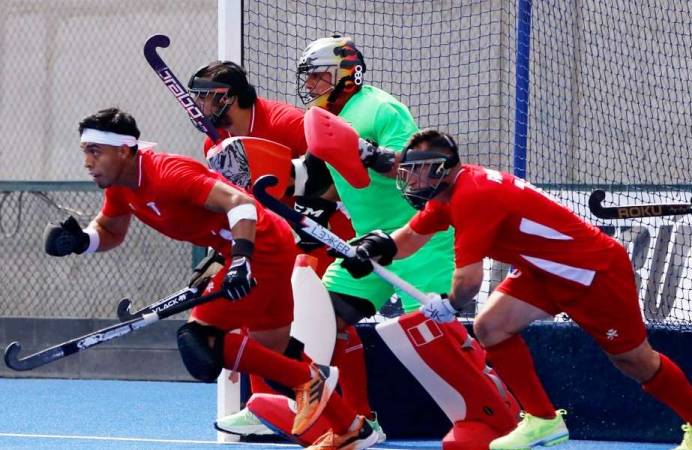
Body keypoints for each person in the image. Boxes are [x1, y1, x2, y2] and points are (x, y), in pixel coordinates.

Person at [342, 129, 692, 450]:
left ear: (442, 170)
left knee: (635, 362)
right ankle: (544, 421)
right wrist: (379, 248)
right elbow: (411, 235)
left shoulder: (472, 196)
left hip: (591, 273)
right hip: (543, 272)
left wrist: (449, 304)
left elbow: (468, 282)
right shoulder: (448, 195)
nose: (409, 179)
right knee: (490, 327)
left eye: (418, 170)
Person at [45, 107, 379, 449]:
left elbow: (241, 203)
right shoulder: (121, 187)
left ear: (124, 150)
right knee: (275, 349)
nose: (87, 162)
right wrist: (82, 242)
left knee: (199, 339)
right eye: (85, 151)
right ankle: (352, 426)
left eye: (95, 151)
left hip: (259, 247)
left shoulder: (166, 173)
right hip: (265, 245)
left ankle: (308, 381)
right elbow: (110, 229)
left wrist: (241, 260)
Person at [292, 35, 456, 445]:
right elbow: (332, 181)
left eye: (318, 76)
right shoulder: (323, 117)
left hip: (418, 237)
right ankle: (359, 423)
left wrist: (368, 152)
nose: (310, 85)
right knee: (321, 321)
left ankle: (500, 415)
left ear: (347, 74)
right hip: (368, 243)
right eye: (308, 78)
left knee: (442, 339)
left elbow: (414, 171)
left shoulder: (381, 108)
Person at [187, 61, 357, 439]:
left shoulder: (286, 122)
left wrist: (314, 212)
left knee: (331, 317)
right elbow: (238, 202)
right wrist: (227, 251)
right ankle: (266, 404)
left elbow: (336, 168)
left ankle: (359, 412)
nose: (197, 103)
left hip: (326, 227)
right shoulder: (213, 142)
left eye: (204, 95)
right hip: (275, 234)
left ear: (228, 96)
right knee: (251, 297)